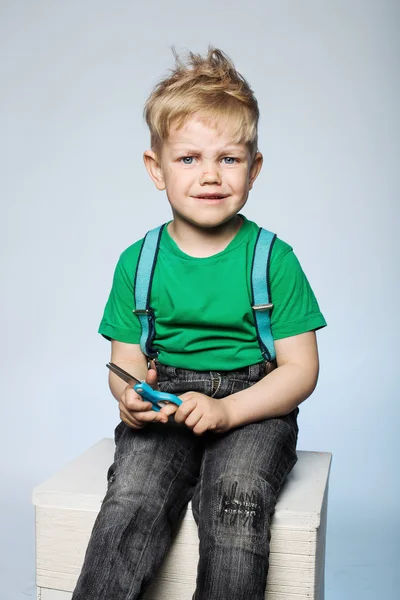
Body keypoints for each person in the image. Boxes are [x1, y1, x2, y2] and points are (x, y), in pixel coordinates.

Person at [72, 47, 326, 600]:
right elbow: (126, 361)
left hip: (253, 404)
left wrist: (230, 409)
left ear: (254, 169)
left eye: (229, 159)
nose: (210, 175)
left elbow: (301, 369)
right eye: (188, 158)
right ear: (155, 169)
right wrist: (129, 397)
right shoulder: (137, 263)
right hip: (168, 402)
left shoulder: (272, 259)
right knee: (131, 501)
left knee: (237, 500)